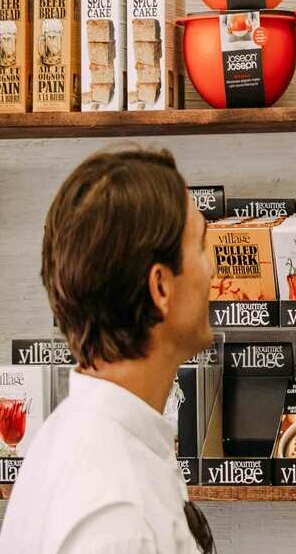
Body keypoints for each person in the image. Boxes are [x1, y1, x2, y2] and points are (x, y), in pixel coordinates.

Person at [0, 148, 216, 554]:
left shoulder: (91, 441)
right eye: (201, 248)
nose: (213, 270)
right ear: (160, 288)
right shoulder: (118, 518)